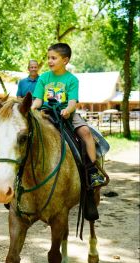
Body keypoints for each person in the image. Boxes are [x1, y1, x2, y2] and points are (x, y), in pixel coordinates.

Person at [31, 43, 105, 188]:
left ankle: (92, 171)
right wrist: (31, 108)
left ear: (65, 60)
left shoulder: (71, 80)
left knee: (86, 132)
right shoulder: (43, 78)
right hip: (46, 112)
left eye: (54, 58)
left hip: (67, 114)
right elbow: (38, 100)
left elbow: (72, 102)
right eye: (48, 58)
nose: (49, 61)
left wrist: (68, 110)